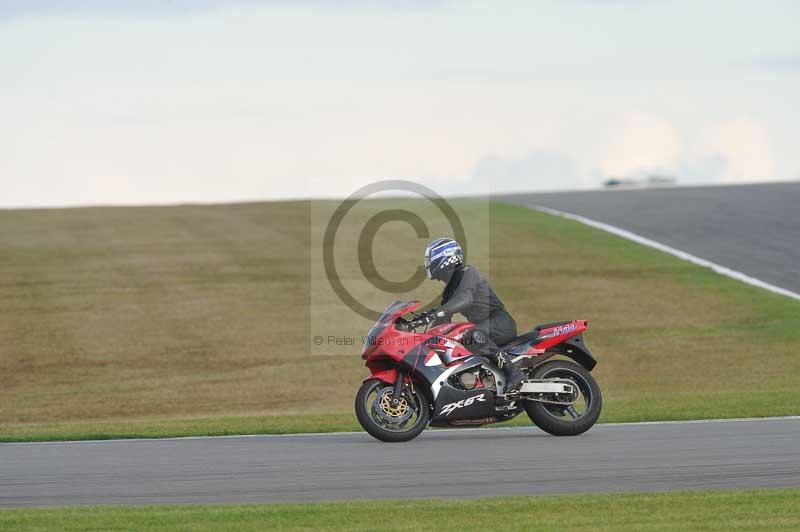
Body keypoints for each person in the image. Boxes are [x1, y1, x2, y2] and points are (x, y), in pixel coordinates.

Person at [414, 237, 526, 393]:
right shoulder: (450, 289)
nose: (428, 263)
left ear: (444, 257)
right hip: (485, 328)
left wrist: (437, 312)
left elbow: (464, 300)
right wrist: (423, 338)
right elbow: (441, 320)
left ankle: (514, 374)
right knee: (455, 342)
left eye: (430, 259)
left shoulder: (467, 273)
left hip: (500, 322)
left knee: (472, 335)